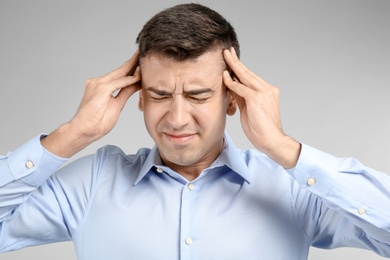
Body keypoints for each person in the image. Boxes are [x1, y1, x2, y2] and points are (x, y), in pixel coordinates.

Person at [0, 3, 389, 259]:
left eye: (199, 95)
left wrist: (282, 147)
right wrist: (72, 135)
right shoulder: (89, 184)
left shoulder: (290, 187)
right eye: (160, 94)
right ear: (138, 97)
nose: (177, 118)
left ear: (233, 98)